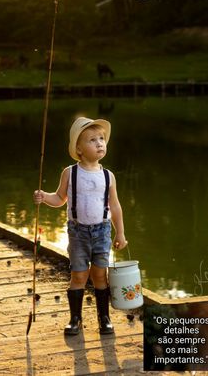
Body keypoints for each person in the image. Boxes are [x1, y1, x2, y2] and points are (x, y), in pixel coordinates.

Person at [34, 117, 128, 336]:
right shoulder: (70, 173)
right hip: (78, 233)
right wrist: (44, 196)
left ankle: (104, 318)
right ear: (78, 148)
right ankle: (75, 319)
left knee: (100, 275)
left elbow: (114, 206)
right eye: (92, 140)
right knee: (78, 276)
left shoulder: (108, 176)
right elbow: (59, 198)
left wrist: (120, 232)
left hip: (102, 231)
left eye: (102, 139)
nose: (99, 143)